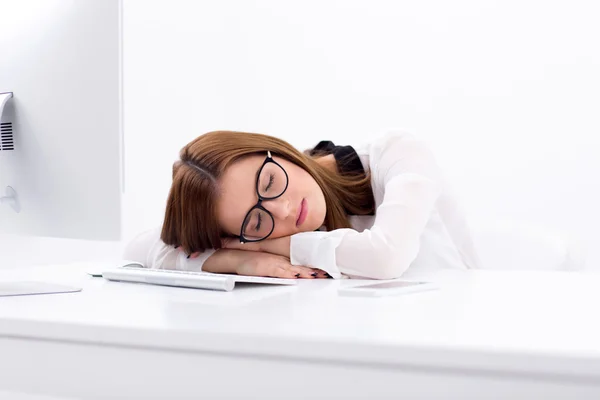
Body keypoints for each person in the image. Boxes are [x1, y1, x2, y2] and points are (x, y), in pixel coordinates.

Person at [123, 130, 482, 280]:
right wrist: (237, 258)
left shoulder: (396, 154)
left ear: (274, 149)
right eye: (257, 222)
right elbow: (142, 247)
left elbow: (385, 257)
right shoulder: (248, 239)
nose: (281, 211)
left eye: (270, 183)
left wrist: (264, 242)